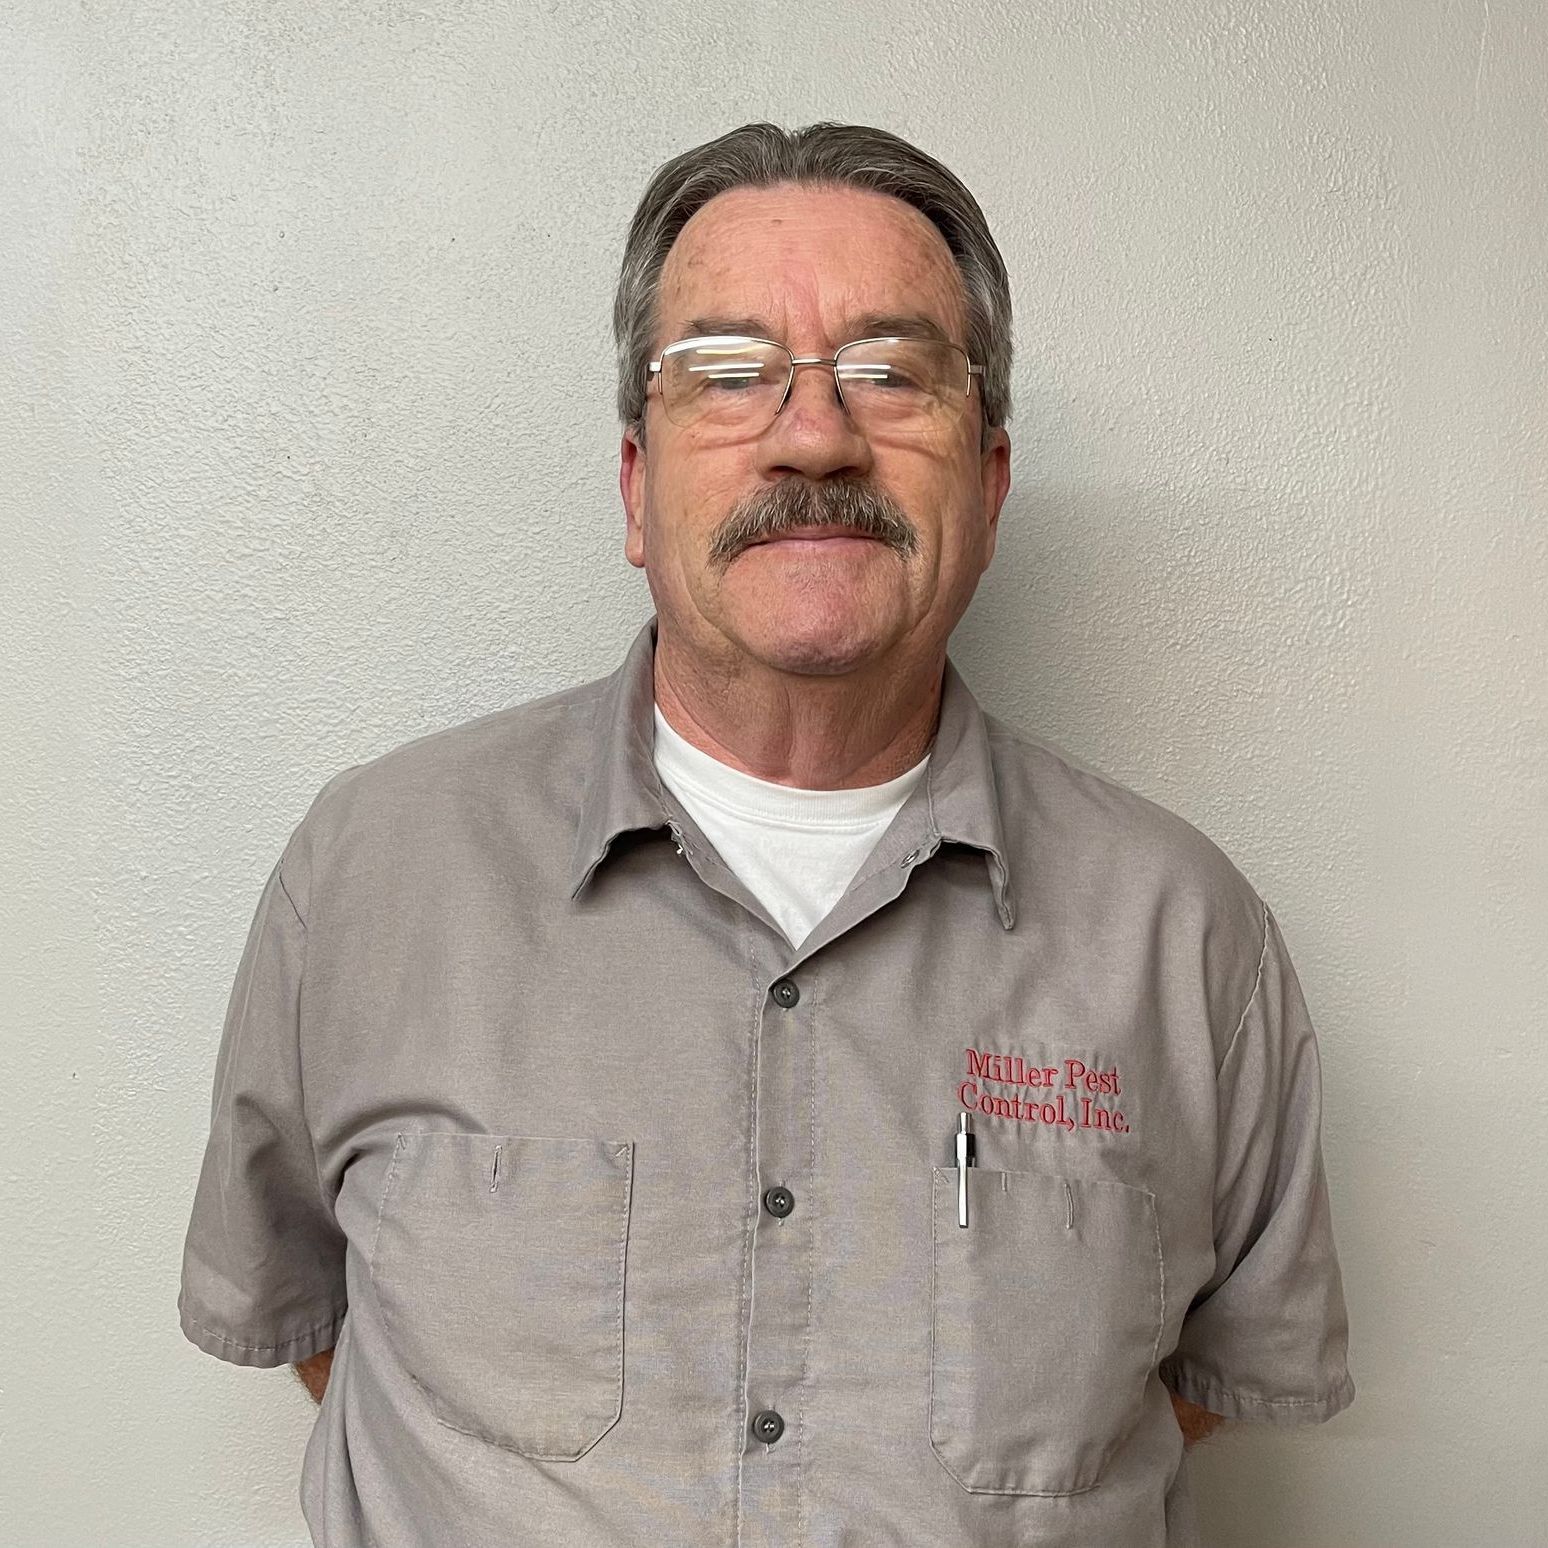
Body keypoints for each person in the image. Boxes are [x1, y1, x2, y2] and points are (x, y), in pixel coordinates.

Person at [179, 120, 1353, 1548]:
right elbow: (318, 1321)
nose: (815, 433)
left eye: (891, 371)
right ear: (634, 482)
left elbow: (1196, 1391)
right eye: (730, 373)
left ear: (985, 487)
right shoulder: (370, 877)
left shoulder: (1188, 936)